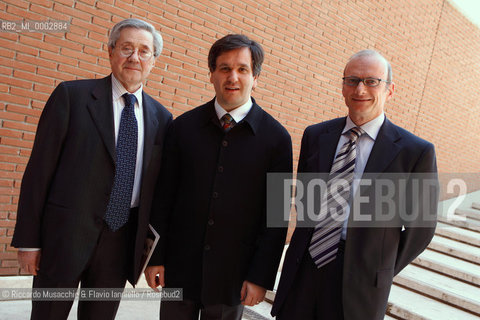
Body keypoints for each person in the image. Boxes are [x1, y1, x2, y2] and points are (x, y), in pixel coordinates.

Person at [11, 18, 172, 319]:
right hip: (63, 239)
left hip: (120, 244)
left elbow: (159, 190)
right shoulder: (71, 97)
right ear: (110, 51)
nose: (134, 57)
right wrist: (29, 241)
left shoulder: (162, 119)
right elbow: (38, 173)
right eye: (126, 48)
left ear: (154, 61)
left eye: (143, 51)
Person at [271, 50, 438, 320]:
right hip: (304, 270)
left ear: (390, 90)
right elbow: (305, 202)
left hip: (360, 284)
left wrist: (378, 268)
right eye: (352, 80)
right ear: (343, 86)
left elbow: (422, 228)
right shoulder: (315, 135)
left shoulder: (415, 152)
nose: (360, 89)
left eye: (372, 81)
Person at [145, 34, 292, 320]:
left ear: (256, 77)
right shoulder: (182, 128)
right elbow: (163, 198)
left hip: (233, 279)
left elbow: (276, 217)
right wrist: (155, 258)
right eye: (224, 68)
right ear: (211, 74)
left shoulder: (277, 140)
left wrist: (260, 277)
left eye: (242, 69)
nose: (232, 77)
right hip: (179, 269)